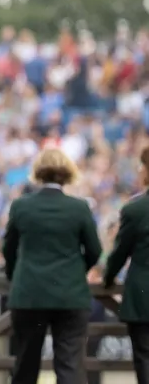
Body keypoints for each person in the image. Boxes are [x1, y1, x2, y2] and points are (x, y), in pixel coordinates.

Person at [2, 147, 101, 384]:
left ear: (38, 172)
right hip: (70, 296)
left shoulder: (21, 206)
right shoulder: (79, 207)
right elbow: (95, 251)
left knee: (25, 365)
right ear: (68, 173)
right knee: (70, 366)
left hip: (29, 295)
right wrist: (76, 272)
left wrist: (16, 276)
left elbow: (8, 250)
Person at [104, 145, 149, 384]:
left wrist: (107, 278)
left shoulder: (136, 209)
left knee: (144, 357)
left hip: (143, 297)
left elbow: (120, 253)